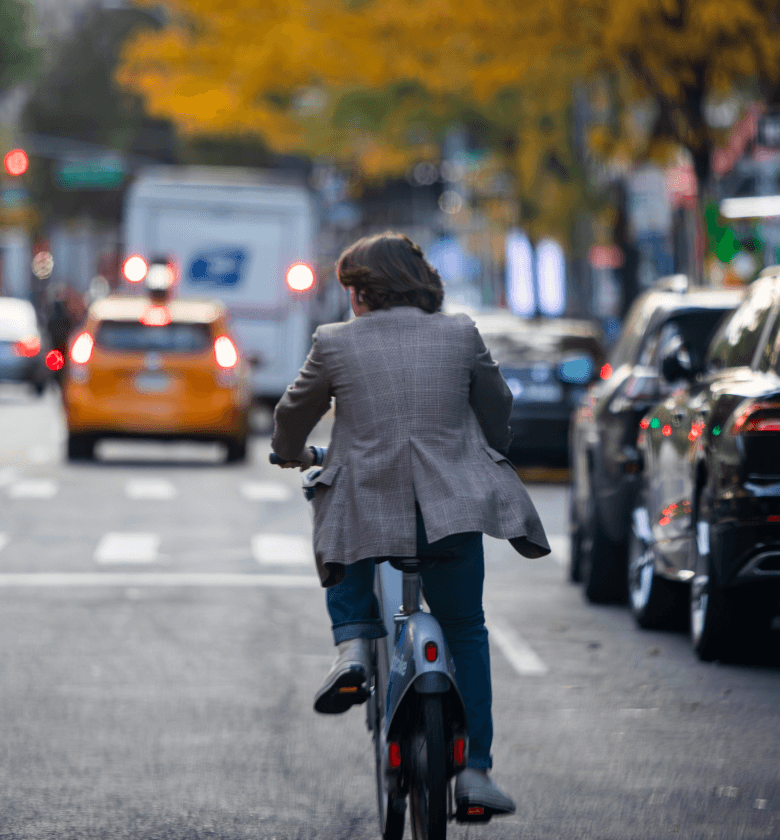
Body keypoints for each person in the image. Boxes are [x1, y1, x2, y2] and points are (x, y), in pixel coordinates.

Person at [271, 231, 550, 817]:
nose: (349, 300)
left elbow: (294, 410)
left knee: (335, 506)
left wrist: (289, 450)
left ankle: (352, 646)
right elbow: (496, 406)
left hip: (369, 503)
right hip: (451, 510)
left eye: (352, 290)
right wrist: (485, 449)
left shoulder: (334, 343)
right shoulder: (460, 333)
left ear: (366, 292)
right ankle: (475, 769)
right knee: (467, 628)